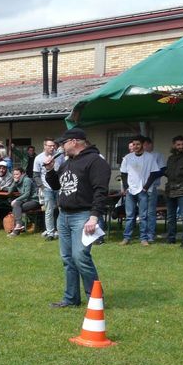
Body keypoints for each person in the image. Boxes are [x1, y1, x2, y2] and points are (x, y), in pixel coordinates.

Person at [43, 128, 110, 308]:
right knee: (68, 259)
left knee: (80, 257)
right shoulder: (67, 162)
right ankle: (71, 298)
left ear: (74, 141)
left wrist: (94, 217)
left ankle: (95, 299)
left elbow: (101, 191)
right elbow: (57, 186)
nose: (61, 147)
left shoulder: (96, 161)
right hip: (64, 215)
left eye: (63, 143)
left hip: (83, 215)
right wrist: (50, 170)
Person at [119, 135, 162, 246]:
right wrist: (126, 187)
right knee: (129, 216)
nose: (135, 146)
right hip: (130, 191)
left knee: (143, 216)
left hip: (142, 191)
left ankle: (143, 238)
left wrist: (146, 187)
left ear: (142, 144)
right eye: (134, 144)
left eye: (138, 144)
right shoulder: (127, 157)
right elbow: (123, 173)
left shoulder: (149, 157)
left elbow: (154, 173)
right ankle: (126, 238)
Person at [34, 138, 63, 240]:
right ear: (44, 146)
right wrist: (42, 187)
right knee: (49, 211)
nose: (52, 147)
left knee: (61, 210)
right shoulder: (38, 158)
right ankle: (50, 232)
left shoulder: (60, 156)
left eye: (53, 146)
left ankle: (60, 231)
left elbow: (63, 170)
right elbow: (36, 175)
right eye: (50, 146)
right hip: (47, 188)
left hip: (59, 187)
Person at [143, 137, 167, 242]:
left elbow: (162, 170)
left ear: (150, 144)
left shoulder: (157, 155)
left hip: (152, 186)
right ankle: (143, 234)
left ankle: (150, 235)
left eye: (145, 145)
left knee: (150, 212)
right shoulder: (141, 156)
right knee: (142, 212)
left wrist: (151, 175)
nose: (143, 147)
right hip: (140, 187)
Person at [7, 168, 40, 237]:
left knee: (16, 208)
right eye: (14, 174)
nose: (15, 176)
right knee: (16, 206)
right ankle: (19, 226)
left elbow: (27, 194)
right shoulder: (17, 181)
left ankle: (17, 229)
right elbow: (9, 191)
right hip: (25, 200)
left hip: (34, 200)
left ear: (22, 174)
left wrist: (16, 200)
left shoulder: (27, 180)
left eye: (17, 174)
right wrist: (14, 182)